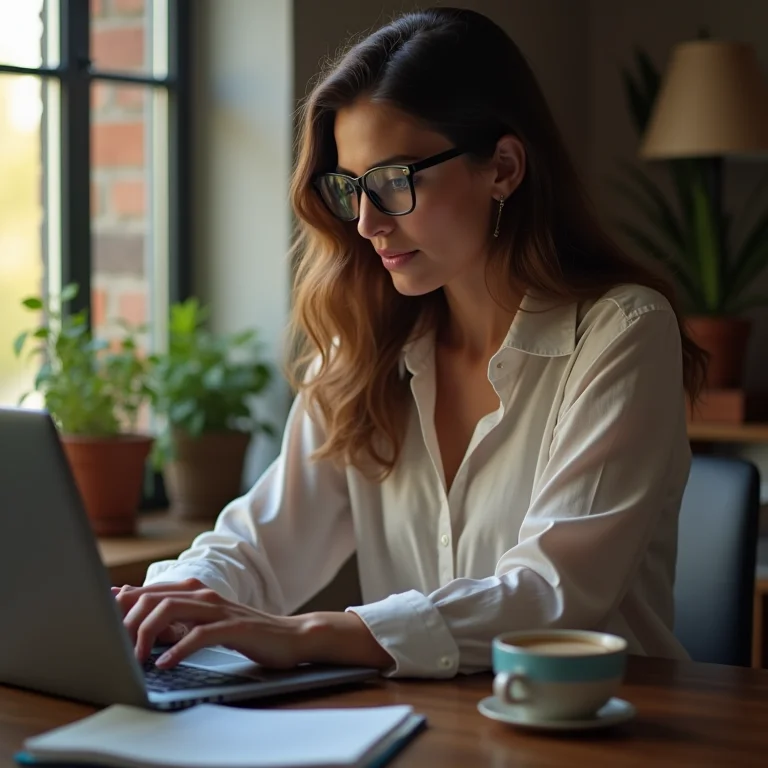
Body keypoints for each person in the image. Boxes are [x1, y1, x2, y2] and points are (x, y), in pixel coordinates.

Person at [113, 7, 706, 678]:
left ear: (504, 168)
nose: (366, 223)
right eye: (349, 188)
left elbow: (554, 595)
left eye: (395, 182)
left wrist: (308, 632)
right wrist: (167, 596)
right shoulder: (365, 348)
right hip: (429, 728)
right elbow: (264, 540)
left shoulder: (622, 332)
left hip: (609, 729)